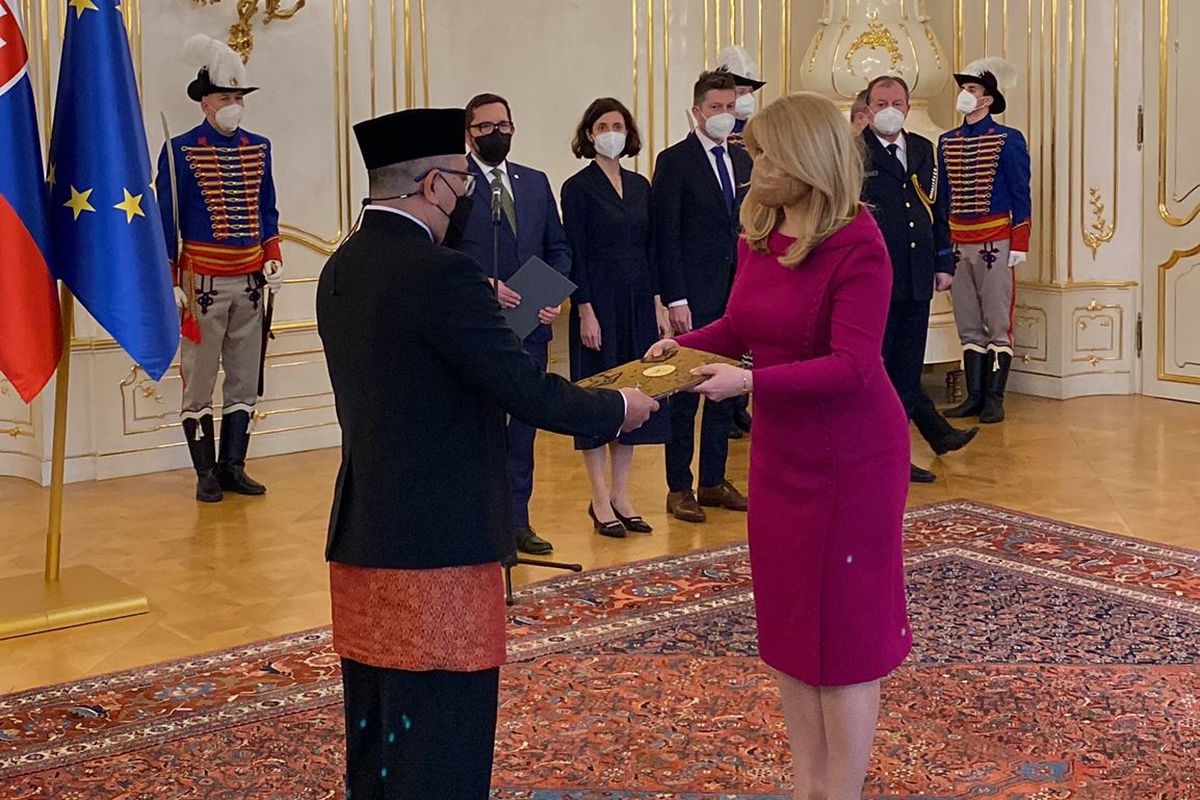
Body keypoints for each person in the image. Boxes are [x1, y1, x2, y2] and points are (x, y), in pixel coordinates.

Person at [317, 107, 658, 800]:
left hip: (363, 535)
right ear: (435, 185)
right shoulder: (441, 275)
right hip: (438, 546)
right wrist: (617, 406)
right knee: (444, 739)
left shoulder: (340, 265)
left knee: (379, 732)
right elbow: (521, 388)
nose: (467, 197)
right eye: (462, 183)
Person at [648, 91, 911, 800]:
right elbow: (740, 325)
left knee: (845, 637)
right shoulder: (760, 234)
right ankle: (809, 786)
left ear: (803, 160)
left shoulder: (860, 242)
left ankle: (841, 791)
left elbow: (854, 364)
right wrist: (681, 350)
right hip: (783, 456)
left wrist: (751, 380)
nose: (749, 160)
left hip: (851, 459)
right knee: (794, 630)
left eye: (763, 153)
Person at [156, 35, 283, 503]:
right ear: (205, 102)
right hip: (202, 284)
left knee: (245, 377)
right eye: (226, 97)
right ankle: (205, 472)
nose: (234, 105)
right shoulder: (179, 152)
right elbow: (164, 223)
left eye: (238, 97)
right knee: (201, 379)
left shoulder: (260, 147)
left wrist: (272, 256)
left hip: (250, 282)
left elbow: (267, 209)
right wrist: (170, 279)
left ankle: (234, 466)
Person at [449, 92, 571, 555]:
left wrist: (554, 292)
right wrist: (484, 282)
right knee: (478, 429)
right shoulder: (454, 183)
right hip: (477, 323)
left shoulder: (535, 182)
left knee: (523, 430)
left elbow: (558, 246)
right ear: (469, 134)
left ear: (513, 128)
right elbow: (442, 252)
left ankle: (518, 522)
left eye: (502, 125)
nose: (495, 133)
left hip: (532, 327)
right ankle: (478, 523)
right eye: (484, 127)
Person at [860, 75, 977, 483]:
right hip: (875, 278)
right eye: (881, 102)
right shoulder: (856, 152)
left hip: (917, 276)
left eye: (897, 101)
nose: (889, 108)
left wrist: (943, 262)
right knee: (880, 369)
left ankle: (899, 453)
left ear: (907, 107)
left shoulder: (925, 149)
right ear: (869, 108)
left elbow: (937, 208)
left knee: (907, 370)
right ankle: (877, 454)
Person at [562, 98, 670, 538]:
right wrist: (585, 309)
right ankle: (599, 498)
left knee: (634, 397)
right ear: (589, 134)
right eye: (604, 125)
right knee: (599, 397)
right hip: (598, 302)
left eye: (619, 125)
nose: (612, 132)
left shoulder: (641, 185)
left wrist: (659, 305)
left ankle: (623, 494)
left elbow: (653, 248)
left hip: (639, 298)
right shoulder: (577, 186)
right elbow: (577, 254)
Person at [652, 70, 752, 524]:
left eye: (731, 107)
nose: (725, 116)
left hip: (738, 292)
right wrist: (675, 297)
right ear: (697, 111)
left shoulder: (745, 160)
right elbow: (665, 235)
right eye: (716, 108)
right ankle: (679, 486)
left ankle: (713, 479)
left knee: (725, 390)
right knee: (685, 391)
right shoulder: (675, 161)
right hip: (693, 294)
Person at [938, 58, 1032, 423]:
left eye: (972, 90)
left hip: (997, 241)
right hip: (959, 242)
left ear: (988, 99)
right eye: (963, 89)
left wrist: (1020, 241)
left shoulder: (1008, 139)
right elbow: (943, 198)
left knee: (997, 319)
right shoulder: (947, 141)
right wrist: (943, 247)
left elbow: (1020, 192)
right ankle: (974, 396)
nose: (965, 95)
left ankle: (995, 398)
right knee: (967, 320)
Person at [715, 44, 766, 439]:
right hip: (719, 254)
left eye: (749, 92)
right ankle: (728, 406)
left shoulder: (754, 140)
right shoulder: (717, 140)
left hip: (750, 249)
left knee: (750, 331)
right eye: (739, 91)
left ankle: (740, 401)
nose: (745, 99)